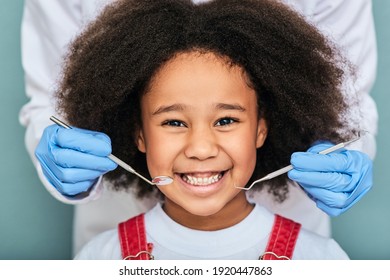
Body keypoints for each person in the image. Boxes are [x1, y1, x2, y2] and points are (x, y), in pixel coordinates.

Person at [20, 0, 376, 255]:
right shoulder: (102, 258)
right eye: (174, 122)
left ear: (262, 128)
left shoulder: (317, 259)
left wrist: (344, 152)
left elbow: (348, 104)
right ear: (138, 133)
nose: (201, 148)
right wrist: (63, 157)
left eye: (226, 120)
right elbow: (54, 99)